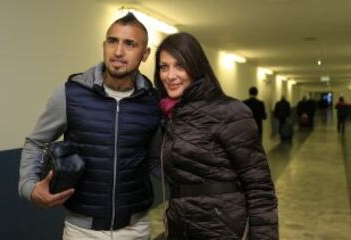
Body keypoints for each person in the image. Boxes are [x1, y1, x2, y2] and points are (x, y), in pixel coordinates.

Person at [18, 13, 161, 240]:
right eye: (113, 41)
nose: (118, 52)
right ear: (104, 46)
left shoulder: (153, 103)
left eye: (130, 44)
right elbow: (37, 142)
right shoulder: (70, 93)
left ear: (145, 54)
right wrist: (30, 187)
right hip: (82, 231)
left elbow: (154, 160)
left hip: (137, 229)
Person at [154, 32, 278, 240]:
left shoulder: (230, 111)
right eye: (164, 67)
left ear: (196, 66)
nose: (170, 75)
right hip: (180, 226)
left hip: (221, 228)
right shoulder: (170, 114)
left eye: (180, 65)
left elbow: (260, 186)